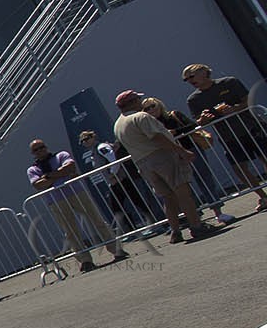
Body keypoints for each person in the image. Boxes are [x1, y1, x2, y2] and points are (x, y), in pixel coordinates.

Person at [114, 90, 216, 245]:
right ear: (132, 102)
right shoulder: (141, 117)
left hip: (143, 162)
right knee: (183, 193)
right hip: (162, 157)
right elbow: (157, 136)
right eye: (138, 99)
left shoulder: (118, 124)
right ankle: (197, 226)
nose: (141, 102)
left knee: (168, 198)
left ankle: (175, 231)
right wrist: (180, 150)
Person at [26, 138, 130, 273]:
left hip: (77, 192)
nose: (40, 151)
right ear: (33, 153)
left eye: (42, 147)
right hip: (56, 200)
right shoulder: (32, 169)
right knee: (70, 231)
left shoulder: (61, 155)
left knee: (97, 220)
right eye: (36, 149)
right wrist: (60, 173)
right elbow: (38, 185)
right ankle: (85, 260)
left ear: (46, 147)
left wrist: (48, 176)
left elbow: (70, 167)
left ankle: (116, 249)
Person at [183, 62, 267, 215]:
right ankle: (262, 196)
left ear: (204, 72)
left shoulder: (229, 82)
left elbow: (248, 99)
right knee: (239, 169)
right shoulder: (193, 99)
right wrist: (203, 120)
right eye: (186, 79)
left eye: (191, 76)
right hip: (228, 136)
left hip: (250, 127)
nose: (190, 80)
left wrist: (235, 108)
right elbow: (198, 121)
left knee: (264, 158)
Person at [143, 96, 232, 223]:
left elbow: (192, 125)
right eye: (146, 109)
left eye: (153, 106)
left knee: (205, 179)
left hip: (191, 149)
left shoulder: (174, 115)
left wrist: (175, 132)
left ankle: (218, 212)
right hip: (172, 156)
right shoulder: (151, 126)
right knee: (184, 187)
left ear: (160, 105)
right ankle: (196, 216)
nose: (151, 110)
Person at [77, 129, 162, 238]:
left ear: (93, 137)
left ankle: (152, 224)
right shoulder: (94, 151)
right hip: (114, 182)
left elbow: (113, 159)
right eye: (82, 141)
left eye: (86, 139)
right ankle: (132, 230)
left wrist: (113, 173)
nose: (84, 142)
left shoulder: (101, 147)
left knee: (132, 202)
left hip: (120, 180)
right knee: (122, 205)